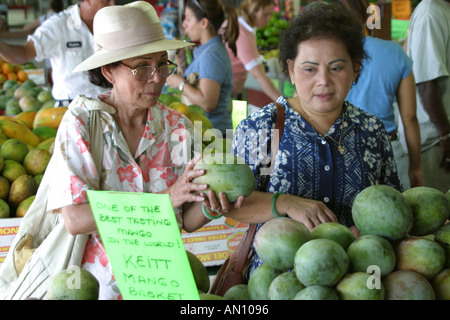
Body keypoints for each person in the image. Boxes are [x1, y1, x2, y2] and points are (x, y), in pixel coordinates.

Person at [33, 1, 243, 300]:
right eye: (142, 67)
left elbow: (185, 218)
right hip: (94, 289)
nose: (157, 78)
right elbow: (75, 219)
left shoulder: (177, 127)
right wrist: (164, 200)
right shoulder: (81, 123)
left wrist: (211, 205)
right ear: (109, 71)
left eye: (161, 63)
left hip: (161, 283)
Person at [221, 1, 402, 275]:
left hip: (356, 279)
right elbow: (234, 206)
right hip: (276, 282)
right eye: (309, 69)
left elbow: (392, 205)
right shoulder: (260, 128)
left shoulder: (372, 131)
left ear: (355, 67)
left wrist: (366, 230)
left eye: (337, 68)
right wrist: (284, 202)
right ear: (291, 69)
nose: (323, 81)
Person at [340, 0, 423, 190]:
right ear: (366, 18)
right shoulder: (394, 51)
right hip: (389, 150)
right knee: (397, 217)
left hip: (342, 152)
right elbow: (409, 117)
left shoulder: (325, 57)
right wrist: (416, 168)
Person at [0, 0, 115, 105]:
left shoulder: (114, 22)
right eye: (105, 1)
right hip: (71, 108)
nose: (112, 5)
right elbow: (23, 53)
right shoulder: (58, 26)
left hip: (110, 103)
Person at [166, 0, 239, 135]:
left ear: (204, 23)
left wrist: (179, 83)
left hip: (214, 134)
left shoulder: (211, 55)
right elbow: (196, 83)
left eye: (188, 19)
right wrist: (181, 60)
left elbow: (207, 103)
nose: (184, 24)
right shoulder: (207, 50)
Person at [405, 0, 450, 193]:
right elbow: (426, 83)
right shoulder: (430, 12)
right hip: (435, 141)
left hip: (441, 135)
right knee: (436, 211)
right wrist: (445, 134)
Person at [223, 0, 281, 102]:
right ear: (254, 10)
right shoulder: (242, 33)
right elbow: (258, 75)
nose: (268, 19)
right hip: (224, 91)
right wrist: (284, 103)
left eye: (270, 15)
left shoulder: (236, 23)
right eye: (265, 15)